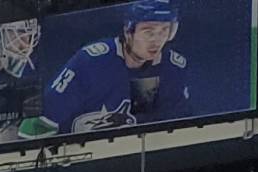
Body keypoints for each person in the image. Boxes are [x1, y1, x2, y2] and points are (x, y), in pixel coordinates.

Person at [43, 0, 192, 134]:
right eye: (148, 32)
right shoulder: (91, 62)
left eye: (164, 31)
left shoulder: (171, 67)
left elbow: (175, 125)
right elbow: (45, 119)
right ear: (128, 32)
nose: (157, 40)